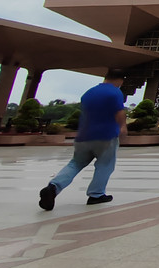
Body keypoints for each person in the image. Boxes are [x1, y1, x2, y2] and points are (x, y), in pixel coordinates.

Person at [38, 70, 127, 210]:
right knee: (105, 165)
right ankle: (96, 194)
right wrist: (123, 127)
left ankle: (53, 187)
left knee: (75, 164)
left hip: (83, 136)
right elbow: (119, 112)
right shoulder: (114, 92)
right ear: (120, 80)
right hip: (106, 136)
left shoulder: (88, 93)